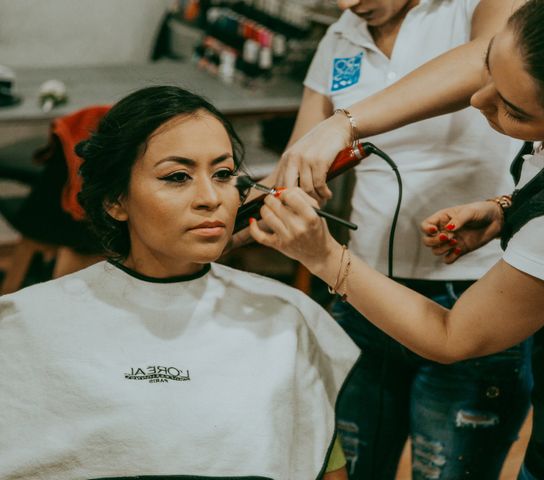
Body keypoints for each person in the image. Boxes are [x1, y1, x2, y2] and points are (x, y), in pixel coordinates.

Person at [248, 1, 544, 478]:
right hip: (371, 294)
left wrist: (323, 255)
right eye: (488, 70)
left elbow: (453, 337)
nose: (478, 100)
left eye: (513, 111)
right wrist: (506, 209)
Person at [0, 86, 357, 480]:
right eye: (177, 177)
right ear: (116, 201)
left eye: (223, 174)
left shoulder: (287, 320)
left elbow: (324, 466)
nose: (210, 197)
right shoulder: (29, 324)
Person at [273, 0, 530, 478]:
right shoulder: (341, 36)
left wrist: (344, 121)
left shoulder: (473, 8)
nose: (347, 3)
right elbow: (295, 162)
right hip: (362, 289)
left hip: (473, 292)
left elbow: (487, 58)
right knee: (351, 467)